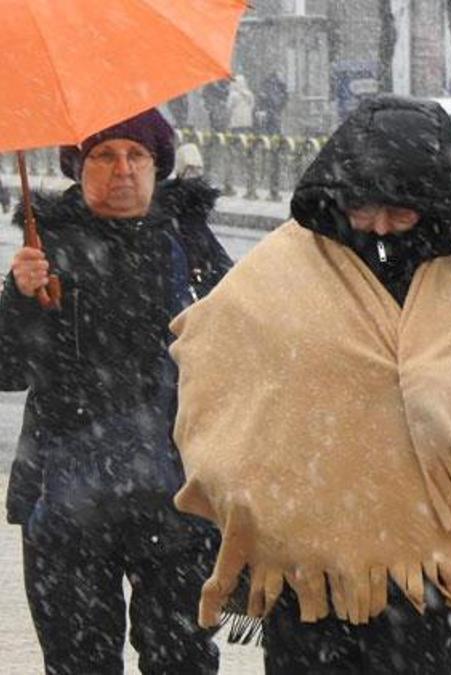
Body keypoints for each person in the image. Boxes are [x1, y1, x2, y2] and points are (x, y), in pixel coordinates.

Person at [165, 96, 451, 673]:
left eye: (400, 212)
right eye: (363, 207)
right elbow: (215, 365)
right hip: (314, 569)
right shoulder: (281, 271)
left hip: (439, 573)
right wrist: (242, 487)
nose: (379, 226)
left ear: (434, 206)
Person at [0, 109, 232, 674]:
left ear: (159, 165)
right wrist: (19, 298)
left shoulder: (190, 245)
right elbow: (8, 372)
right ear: (78, 167)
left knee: (182, 659)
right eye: (104, 155)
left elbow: (241, 358)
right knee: (78, 661)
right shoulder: (45, 247)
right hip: (65, 501)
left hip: (178, 499)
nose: (122, 169)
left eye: (137, 155)